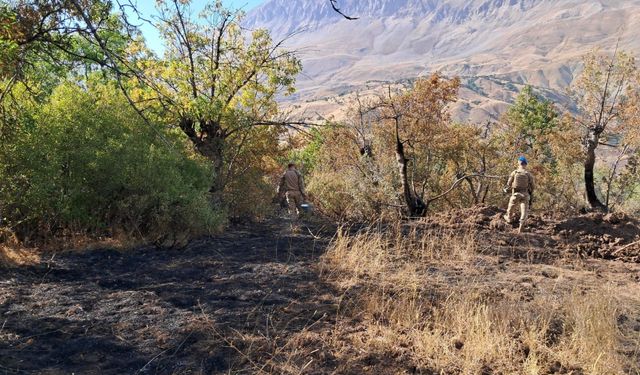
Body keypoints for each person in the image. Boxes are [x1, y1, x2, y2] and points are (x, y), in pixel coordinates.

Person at [503, 156, 535, 233]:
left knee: (510, 208)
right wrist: (530, 192)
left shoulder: (514, 172)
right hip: (525, 194)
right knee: (524, 211)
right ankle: (521, 226)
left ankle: (509, 219)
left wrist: (507, 189)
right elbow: (533, 186)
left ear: (519, 163)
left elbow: (508, 184)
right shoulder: (528, 174)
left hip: (516, 194)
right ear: (525, 164)